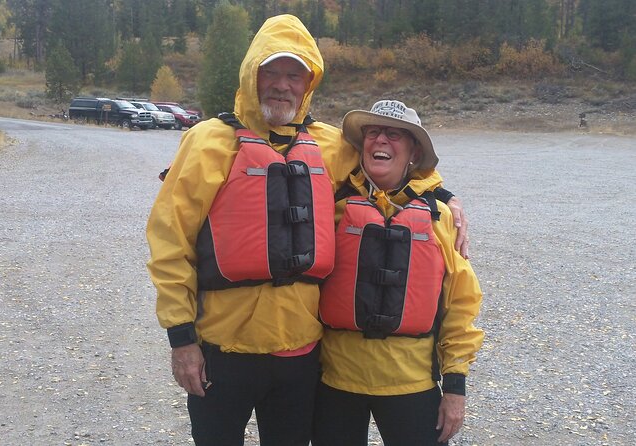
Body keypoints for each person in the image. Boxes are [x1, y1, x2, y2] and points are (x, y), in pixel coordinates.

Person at [147, 15, 467, 446]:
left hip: (300, 356)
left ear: (309, 82)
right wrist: (181, 340)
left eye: (294, 74)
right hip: (222, 351)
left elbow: (388, 167)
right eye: (272, 71)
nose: (282, 85)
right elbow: (170, 242)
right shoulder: (207, 142)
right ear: (251, 75)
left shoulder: (330, 145)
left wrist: (445, 197)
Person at [313, 100, 484, 446]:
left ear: (413, 153)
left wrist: (455, 388)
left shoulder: (440, 217)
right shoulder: (332, 206)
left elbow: (460, 306)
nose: (380, 141)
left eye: (394, 134)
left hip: (412, 382)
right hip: (336, 380)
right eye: (373, 133)